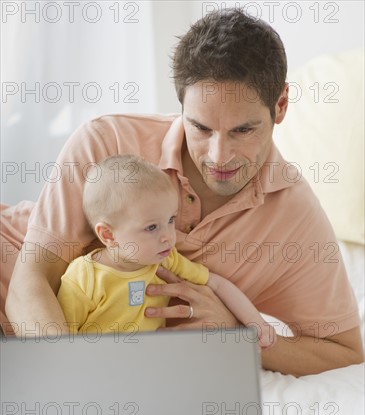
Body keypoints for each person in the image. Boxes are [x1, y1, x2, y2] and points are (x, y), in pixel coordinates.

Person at [2, 8, 363, 375]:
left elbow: (343, 352)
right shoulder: (105, 142)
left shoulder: (294, 218)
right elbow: (28, 283)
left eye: (243, 131)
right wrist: (73, 383)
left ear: (280, 106)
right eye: (201, 128)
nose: (219, 156)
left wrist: (233, 334)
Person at [57, 154, 274, 348]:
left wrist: (256, 323)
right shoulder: (85, 276)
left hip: (151, 369)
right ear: (108, 235)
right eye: (151, 227)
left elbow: (216, 283)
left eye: (170, 220)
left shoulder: (165, 260)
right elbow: (63, 342)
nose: (168, 236)